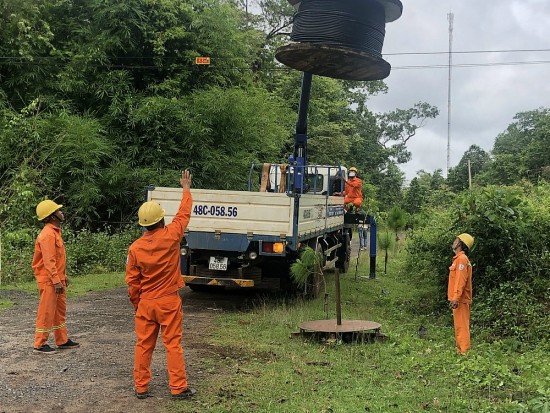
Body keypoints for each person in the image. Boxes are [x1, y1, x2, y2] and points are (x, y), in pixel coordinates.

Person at [125, 170, 196, 400]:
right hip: (168, 301)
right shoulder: (172, 235)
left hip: (146, 303)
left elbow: (132, 281)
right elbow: (184, 214)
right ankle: (178, 388)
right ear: (161, 220)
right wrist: (185, 188)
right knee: (173, 344)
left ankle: (141, 387)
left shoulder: (135, 248)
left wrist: (137, 303)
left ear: (143, 225)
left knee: (144, 345)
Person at [32, 200, 80, 354]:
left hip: (57, 280)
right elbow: (49, 261)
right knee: (46, 311)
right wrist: (55, 280)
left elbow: (58, 260)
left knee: (59, 311)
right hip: (49, 281)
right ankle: (40, 344)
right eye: (58, 211)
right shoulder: (47, 235)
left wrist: (62, 277)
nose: (61, 212)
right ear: (52, 216)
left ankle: (62, 340)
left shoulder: (54, 232)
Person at [448, 233, 474, 354]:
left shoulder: (462, 260)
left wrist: (456, 298)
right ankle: (460, 350)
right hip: (459, 299)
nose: (454, 241)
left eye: (456, 240)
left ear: (460, 244)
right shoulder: (459, 259)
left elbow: (460, 281)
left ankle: (464, 352)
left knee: (462, 326)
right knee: (459, 325)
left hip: (461, 299)